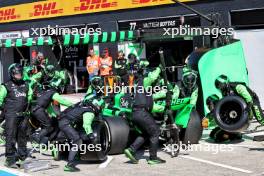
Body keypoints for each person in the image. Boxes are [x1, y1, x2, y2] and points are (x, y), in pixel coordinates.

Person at [58, 76, 105, 172]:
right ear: (98, 106)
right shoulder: (90, 111)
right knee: (78, 140)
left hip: (63, 120)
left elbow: (91, 89)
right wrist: (91, 136)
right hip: (66, 123)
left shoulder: (87, 97)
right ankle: (69, 165)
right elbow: (86, 125)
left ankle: (58, 149)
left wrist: (94, 83)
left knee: (67, 137)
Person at [124, 63, 166, 165]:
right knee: (155, 132)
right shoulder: (143, 82)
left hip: (136, 114)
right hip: (141, 113)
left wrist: (163, 107)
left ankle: (131, 149)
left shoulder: (138, 87)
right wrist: (159, 69)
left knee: (146, 133)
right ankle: (153, 158)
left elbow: (151, 103)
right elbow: (152, 77)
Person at [0, 63, 33, 168]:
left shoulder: (26, 84)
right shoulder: (6, 85)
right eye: (17, 74)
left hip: (23, 115)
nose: (19, 76)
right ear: (12, 74)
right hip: (11, 115)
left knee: (22, 136)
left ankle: (22, 156)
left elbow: (30, 96)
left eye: (20, 74)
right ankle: (10, 159)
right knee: (11, 136)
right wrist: (5, 110)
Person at [30, 65, 73, 145]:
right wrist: (73, 105)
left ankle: (43, 140)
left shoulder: (45, 89)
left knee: (51, 120)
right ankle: (38, 138)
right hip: (39, 109)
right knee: (48, 125)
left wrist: (55, 115)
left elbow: (49, 107)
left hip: (35, 106)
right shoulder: (52, 92)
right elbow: (62, 101)